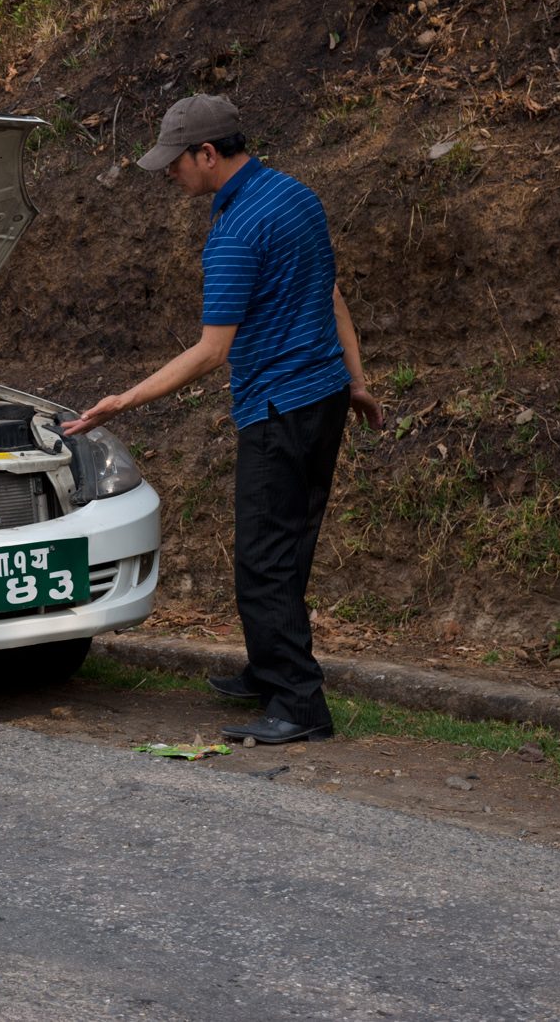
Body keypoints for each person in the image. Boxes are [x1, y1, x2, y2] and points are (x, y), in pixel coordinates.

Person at [61, 94, 384, 745]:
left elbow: (213, 350)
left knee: (263, 559)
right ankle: (270, 668)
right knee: (287, 545)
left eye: (173, 164)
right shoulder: (296, 195)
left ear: (208, 153)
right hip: (324, 398)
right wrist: (356, 379)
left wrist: (123, 400)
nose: (167, 177)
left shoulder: (236, 233)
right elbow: (331, 292)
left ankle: (300, 704)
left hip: (279, 407)